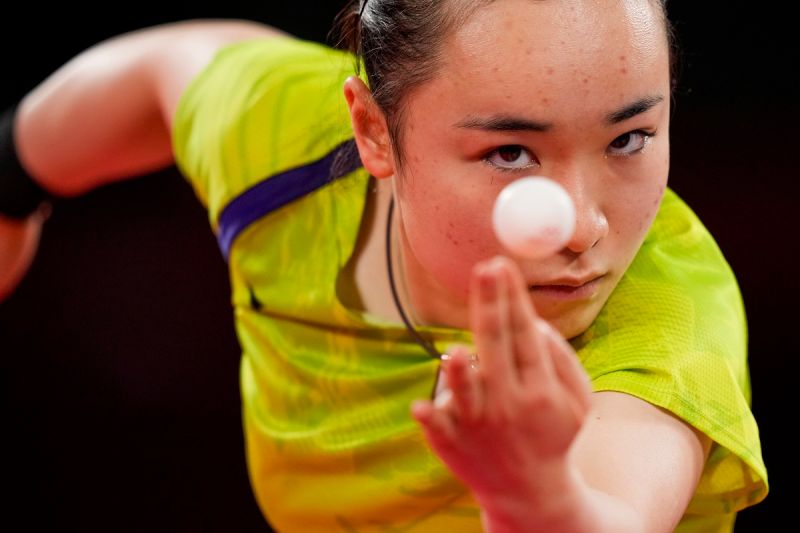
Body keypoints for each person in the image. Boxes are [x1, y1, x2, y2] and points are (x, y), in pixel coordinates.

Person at [0, 0, 768, 531]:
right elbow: (161, 70)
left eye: (629, 137)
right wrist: (14, 177)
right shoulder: (282, 151)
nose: (584, 224)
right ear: (371, 130)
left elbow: (610, 510)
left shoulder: (670, 317)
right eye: (509, 152)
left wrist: (533, 493)